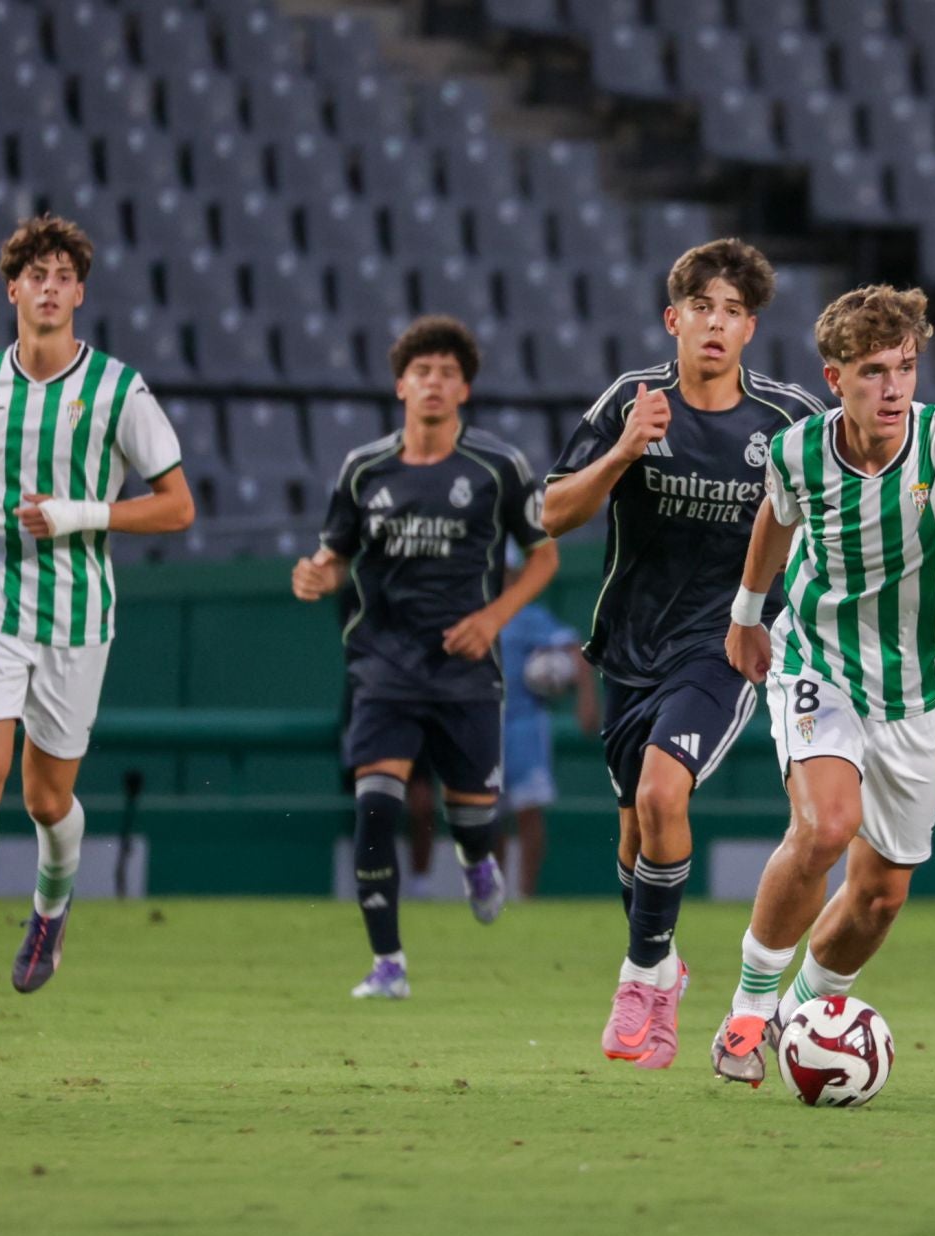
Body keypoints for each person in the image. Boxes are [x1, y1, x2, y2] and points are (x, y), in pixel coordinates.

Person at [713, 285, 935, 1086]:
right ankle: (748, 1008)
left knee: (879, 898)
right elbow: (778, 516)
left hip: (913, 694)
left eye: (906, 367)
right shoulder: (797, 450)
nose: (895, 387)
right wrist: (745, 613)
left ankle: (807, 1013)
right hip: (815, 663)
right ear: (835, 377)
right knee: (828, 827)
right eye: (874, 371)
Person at [0, 213, 195, 1030]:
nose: (51, 288)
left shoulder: (117, 389)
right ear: (14, 290)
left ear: (81, 294)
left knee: (46, 798)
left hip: (76, 614)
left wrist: (79, 515)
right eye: (38, 275)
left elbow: (177, 507)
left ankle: (51, 910)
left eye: (65, 276)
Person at [541, 238, 824, 1069]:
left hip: (727, 645)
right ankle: (663, 957)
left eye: (733, 312)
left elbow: (844, 499)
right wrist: (624, 451)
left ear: (750, 331)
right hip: (630, 650)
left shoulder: (788, 419)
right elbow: (551, 514)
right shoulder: (632, 401)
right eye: (702, 306)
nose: (716, 323)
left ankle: (642, 985)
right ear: (674, 319)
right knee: (636, 834)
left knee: (666, 796)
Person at [292, 315, 557, 1000]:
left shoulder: (498, 467)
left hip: (467, 669)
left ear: (463, 389)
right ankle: (388, 963)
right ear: (400, 385)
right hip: (382, 664)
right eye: (421, 372)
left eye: (446, 372)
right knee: (376, 804)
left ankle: (475, 859)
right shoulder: (364, 468)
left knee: (473, 816)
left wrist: (493, 618)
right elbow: (335, 555)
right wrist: (317, 572)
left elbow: (544, 557)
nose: (433, 383)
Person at [498, 585, 600, 897]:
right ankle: (493, 894)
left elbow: (574, 651)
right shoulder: (476, 611)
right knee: (490, 817)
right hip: (486, 725)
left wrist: (587, 702)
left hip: (525, 726)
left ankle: (527, 893)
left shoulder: (529, 616)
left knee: (528, 811)